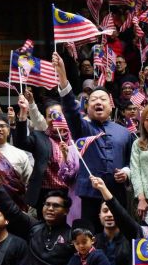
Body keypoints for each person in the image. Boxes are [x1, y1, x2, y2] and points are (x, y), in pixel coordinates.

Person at [57, 55, 134, 223]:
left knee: (117, 234)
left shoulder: (125, 133)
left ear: (111, 105)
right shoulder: (82, 128)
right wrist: (63, 80)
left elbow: (132, 162)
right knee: (90, 236)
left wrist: (126, 173)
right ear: (87, 106)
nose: (98, 102)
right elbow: (70, 109)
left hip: (116, 193)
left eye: (103, 99)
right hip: (89, 193)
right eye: (94, 99)